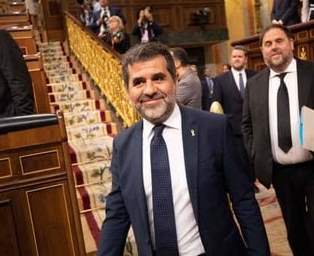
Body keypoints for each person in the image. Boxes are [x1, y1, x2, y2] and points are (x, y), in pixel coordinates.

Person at [98, 41, 270, 255]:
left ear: (175, 80)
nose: (149, 90)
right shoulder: (123, 145)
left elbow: (244, 200)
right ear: (127, 90)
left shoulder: (214, 128)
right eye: (139, 82)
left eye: (158, 78)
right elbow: (117, 215)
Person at [242, 24, 314, 255]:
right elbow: (247, 125)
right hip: (281, 172)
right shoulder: (254, 85)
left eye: (279, 41)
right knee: (295, 230)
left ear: (291, 43)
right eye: (268, 44)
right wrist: (256, 155)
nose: (274, 47)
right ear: (262, 50)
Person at [212, 46, 257, 190]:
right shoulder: (220, 80)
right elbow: (215, 103)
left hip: (254, 125)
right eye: (234, 57)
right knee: (238, 157)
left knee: (252, 155)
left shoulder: (254, 76)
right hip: (232, 126)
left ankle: (252, 181)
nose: (237, 59)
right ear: (231, 59)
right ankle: (244, 184)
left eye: (240, 56)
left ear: (245, 59)